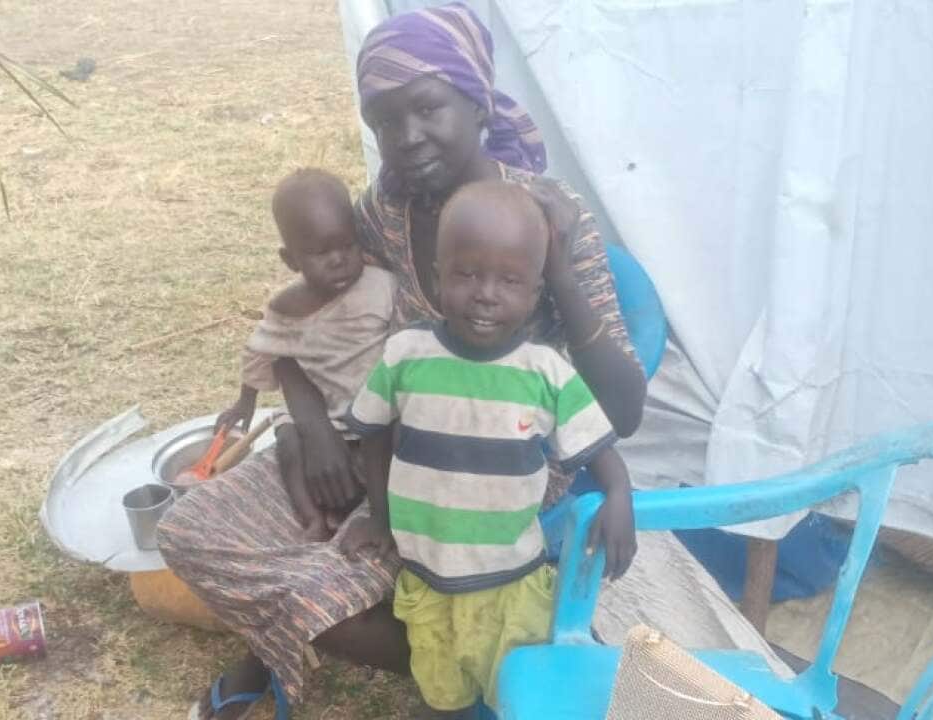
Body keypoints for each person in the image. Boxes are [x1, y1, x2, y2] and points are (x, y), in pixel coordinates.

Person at [159, 5, 646, 719]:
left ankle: (465, 666)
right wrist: (312, 424)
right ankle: (289, 629)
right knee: (190, 528)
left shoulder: (543, 214)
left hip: (494, 463)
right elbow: (301, 316)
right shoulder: (386, 211)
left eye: (427, 107)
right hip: (378, 430)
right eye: (384, 120)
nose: (406, 137)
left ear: (477, 104)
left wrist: (561, 271)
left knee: (321, 589)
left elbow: (623, 412)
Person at [341, 180, 638, 718]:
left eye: (510, 280)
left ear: (535, 293)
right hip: (426, 577)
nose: (485, 294)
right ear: (437, 278)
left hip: (511, 585)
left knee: (519, 698)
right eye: (467, 274)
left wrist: (620, 493)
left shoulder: (545, 372)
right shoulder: (405, 355)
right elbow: (373, 431)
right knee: (441, 696)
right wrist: (380, 516)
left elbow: (596, 446)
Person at [214, 168, 397, 542]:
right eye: (321, 252)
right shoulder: (287, 308)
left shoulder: (381, 286)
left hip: (376, 417)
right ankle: (312, 517)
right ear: (291, 260)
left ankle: (375, 511)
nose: (339, 260)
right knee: (287, 434)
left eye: (347, 245)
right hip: (327, 416)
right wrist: (245, 402)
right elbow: (259, 351)